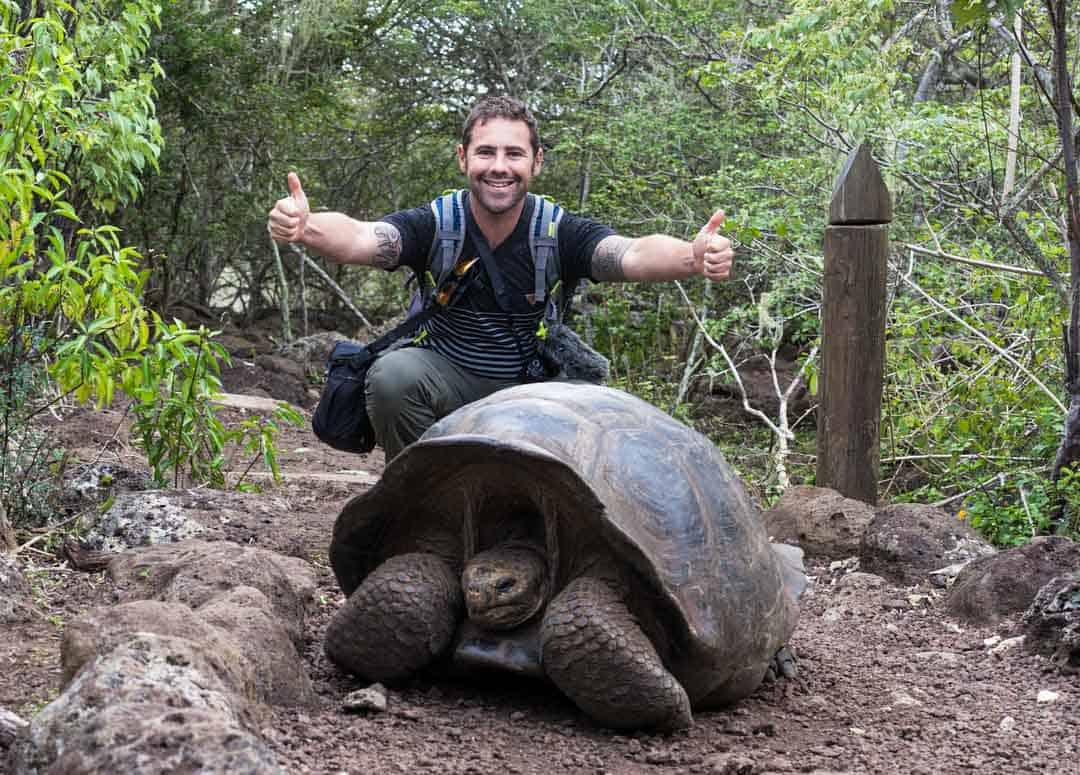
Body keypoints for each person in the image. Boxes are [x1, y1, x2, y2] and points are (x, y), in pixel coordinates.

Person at [268, 95, 734, 460]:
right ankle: (418, 495)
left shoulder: (555, 231)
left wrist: (690, 258)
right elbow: (363, 238)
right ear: (463, 157)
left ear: (536, 161)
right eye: (486, 152)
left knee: (598, 418)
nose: (499, 166)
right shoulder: (438, 222)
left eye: (514, 153)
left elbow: (629, 254)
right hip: (445, 376)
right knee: (392, 376)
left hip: (531, 389)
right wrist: (306, 227)